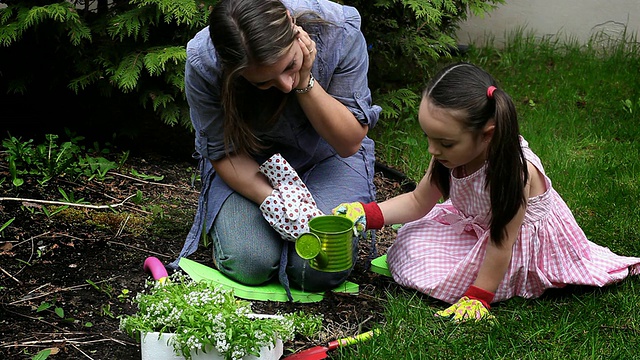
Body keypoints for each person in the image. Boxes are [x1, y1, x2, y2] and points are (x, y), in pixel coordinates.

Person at [334, 62, 640, 321]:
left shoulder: (513, 171)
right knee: (410, 241)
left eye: (444, 142)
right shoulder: (448, 154)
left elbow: (502, 243)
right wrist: (366, 213)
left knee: (454, 282)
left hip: (513, 243)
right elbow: (417, 201)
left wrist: (479, 297)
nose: (432, 149)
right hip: (479, 227)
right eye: (428, 137)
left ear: (487, 136)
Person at [170, 0, 381, 297]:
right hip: (249, 164)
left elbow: (348, 142)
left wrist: (305, 81)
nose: (284, 85)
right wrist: (275, 202)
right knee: (250, 263)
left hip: (327, 157)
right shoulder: (204, 61)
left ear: (291, 22)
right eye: (264, 81)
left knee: (316, 269)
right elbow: (224, 152)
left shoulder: (340, 30)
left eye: (289, 66)